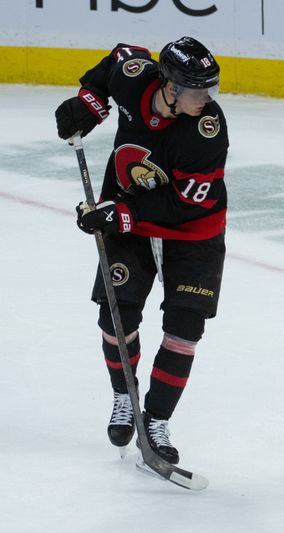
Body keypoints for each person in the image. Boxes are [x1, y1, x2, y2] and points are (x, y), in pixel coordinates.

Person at [55, 37, 228, 465]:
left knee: (185, 328)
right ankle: (125, 396)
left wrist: (119, 214)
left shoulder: (207, 129)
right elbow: (121, 53)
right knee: (116, 315)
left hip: (193, 230)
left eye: (210, 88)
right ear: (169, 85)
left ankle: (156, 420)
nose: (206, 98)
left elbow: (187, 204)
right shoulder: (135, 78)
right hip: (127, 214)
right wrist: (90, 102)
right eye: (197, 89)